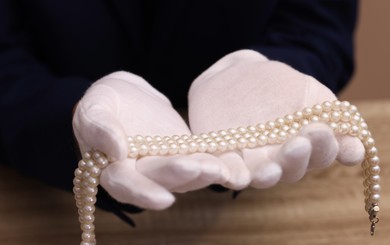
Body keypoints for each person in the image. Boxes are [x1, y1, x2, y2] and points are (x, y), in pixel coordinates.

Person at [0, 0, 363, 225]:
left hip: (254, 216)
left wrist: (274, 68)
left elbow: (317, 22)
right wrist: (69, 115)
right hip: (36, 202)